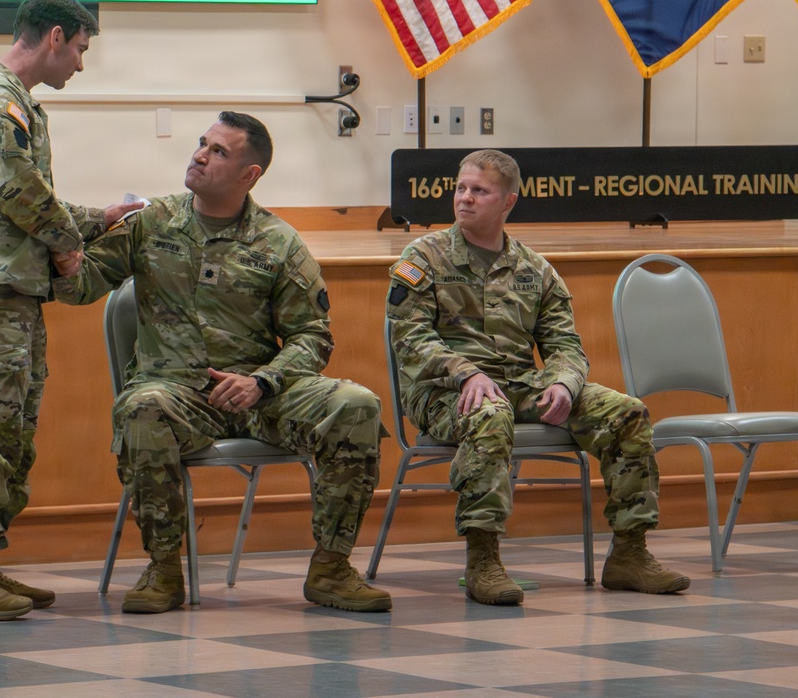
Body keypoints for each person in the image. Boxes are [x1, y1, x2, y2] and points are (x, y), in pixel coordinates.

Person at [53, 111, 392, 614]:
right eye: (201, 144)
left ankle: (331, 569)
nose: (199, 156)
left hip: (258, 393)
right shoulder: (152, 222)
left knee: (356, 404)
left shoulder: (279, 242)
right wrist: (63, 256)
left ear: (248, 175)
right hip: (175, 392)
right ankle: (164, 571)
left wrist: (263, 380)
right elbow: (81, 287)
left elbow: (312, 336)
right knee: (141, 407)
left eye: (218, 151)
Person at [386, 149, 690, 605]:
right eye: (460, 188)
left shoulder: (535, 269)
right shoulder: (424, 256)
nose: (464, 199)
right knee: (489, 412)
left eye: (479, 191)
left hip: (517, 385)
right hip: (442, 391)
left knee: (625, 413)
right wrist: (466, 373)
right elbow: (408, 337)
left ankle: (630, 553)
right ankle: (483, 561)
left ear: (508, 202)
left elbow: (565, 344)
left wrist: (564, 383)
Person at [0, 0, 141, 621]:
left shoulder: (12, 102)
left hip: (11, 292)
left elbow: (24, 197)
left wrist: (98, 218)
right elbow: (14, 189)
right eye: (78, 49)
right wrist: (71, 242)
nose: (78, 64)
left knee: (9, 434)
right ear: (53, 37)